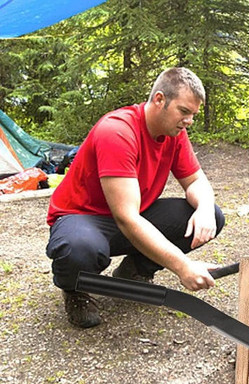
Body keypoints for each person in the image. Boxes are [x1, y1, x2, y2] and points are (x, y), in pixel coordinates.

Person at [46, 67, 225, 328]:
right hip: (84, 218)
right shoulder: (117, 131)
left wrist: (206, 207)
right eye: (184, 111)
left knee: (211, 216)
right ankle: (76, 290)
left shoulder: (174, 133)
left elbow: (196, 180)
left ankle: (134, 272)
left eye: (193, 115)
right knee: (78, 248)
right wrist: (182, 266)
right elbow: (127, 218)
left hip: (132, 215)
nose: (189, 121)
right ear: (159, 100)